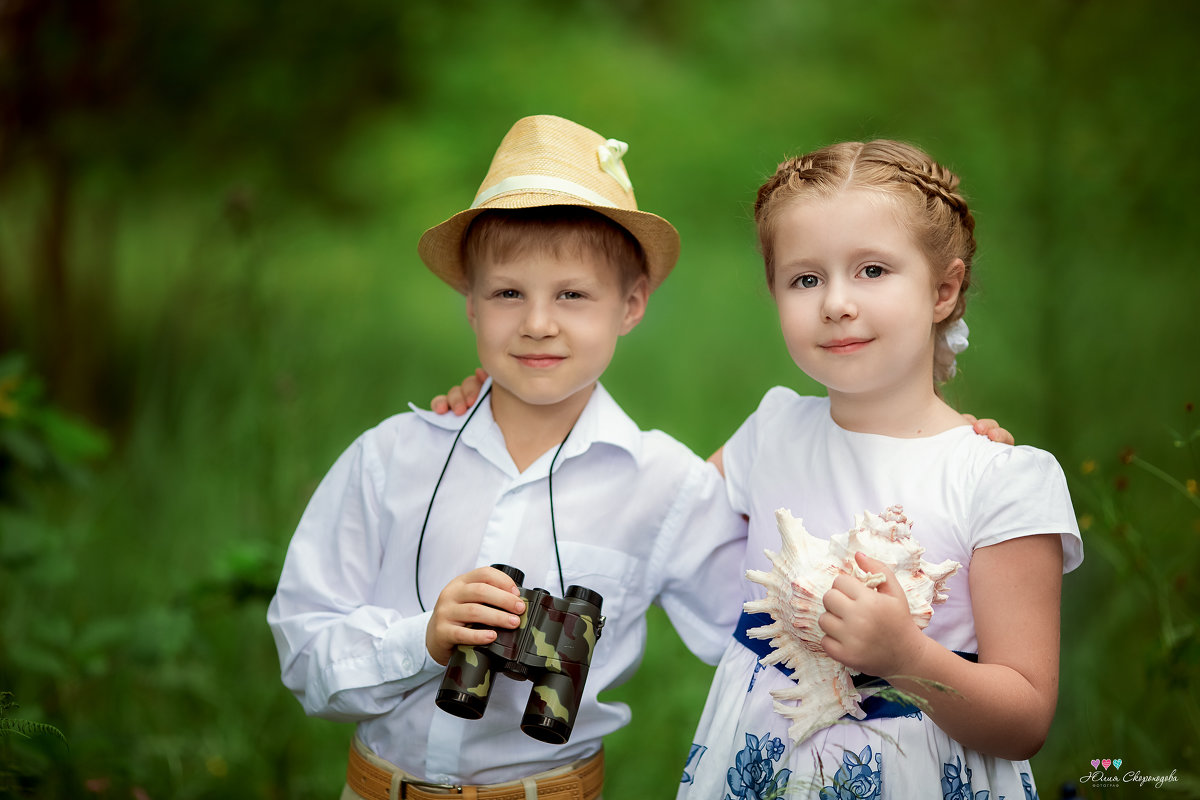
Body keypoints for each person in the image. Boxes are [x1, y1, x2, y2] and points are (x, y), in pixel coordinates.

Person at [266, 114, 748, 800]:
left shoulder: (662, 483)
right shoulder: (391, 457)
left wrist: (796, 447)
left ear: (631, 304)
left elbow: (762, 634)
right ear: (471, 303)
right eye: (507, 293)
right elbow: (303, 655)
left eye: (573, 295)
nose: (538, 323)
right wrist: (424, 641)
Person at [675, 140, 1083, 799]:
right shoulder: (772, 431)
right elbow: (653, 508)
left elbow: (1025, 716)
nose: (836, 302)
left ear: (943, 289)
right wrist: (491, 406)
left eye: (872, 270)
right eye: (806, 279)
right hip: (760, 767)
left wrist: (908, 658)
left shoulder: (1001, 480)